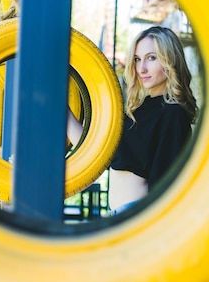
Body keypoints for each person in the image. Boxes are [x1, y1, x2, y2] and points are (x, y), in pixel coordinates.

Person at [67, 26, 197, 214]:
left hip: (138, 217)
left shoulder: (173, 113)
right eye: (137, 59)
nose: (141, 68)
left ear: (170, 60)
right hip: (119, 215)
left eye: (151, 58)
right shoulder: (142, 109)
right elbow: (95, 152)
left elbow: (166, 188)